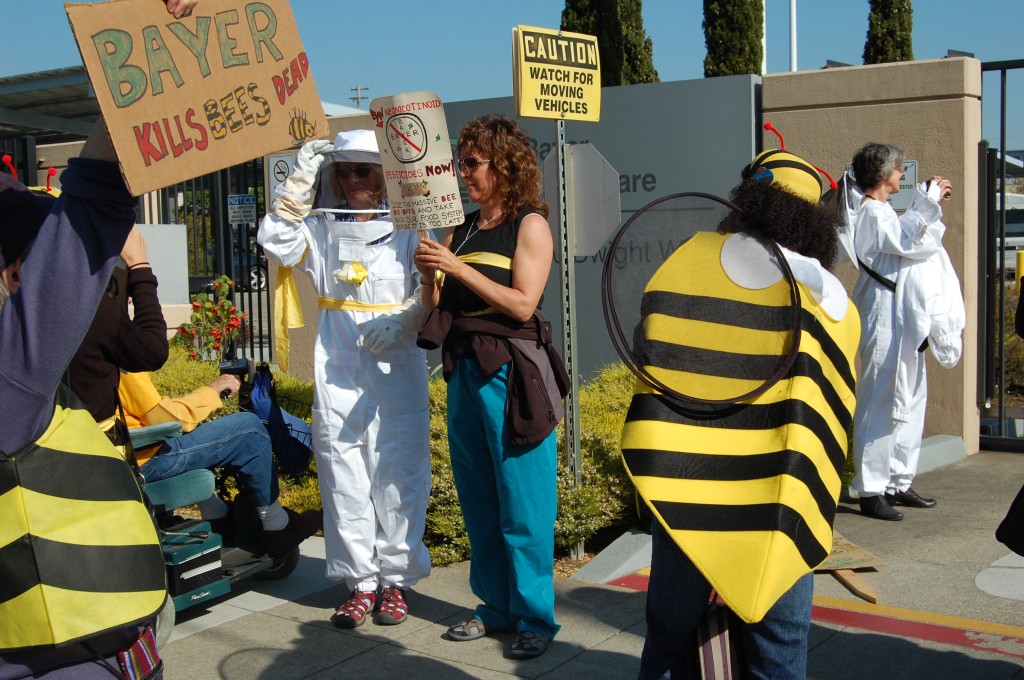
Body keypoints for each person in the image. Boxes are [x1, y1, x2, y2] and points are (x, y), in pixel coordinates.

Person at [618, 147, 860, 678]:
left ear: (746, 199)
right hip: (780, 504)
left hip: (686, 491)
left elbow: (650, 351)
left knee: (667, 640)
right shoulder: (831, 295)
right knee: (781, 649)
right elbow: (835, 404)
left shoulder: (687, 261)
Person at [0, 118, 167, 678]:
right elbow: (95, 200)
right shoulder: (12, 375)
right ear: (20, 271)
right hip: (69, 650)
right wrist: (140, 268)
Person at [258, 130, 431, 628]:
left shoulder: (409, 228)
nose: (353, 180)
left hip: (395, 361)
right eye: (345, 171)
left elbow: (433, 288)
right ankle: (360, 583)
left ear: (383, 179)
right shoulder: (321, 227)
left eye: (364, 171)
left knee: (399, 469)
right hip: (336, 363)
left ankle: (396, 582)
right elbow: (276, 241)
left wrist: (403, 320)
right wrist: (299, 180)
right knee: (342, 470)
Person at [414, 114, 569, 660]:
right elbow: (434, 311)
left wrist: (456, 266)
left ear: (504, 165)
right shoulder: (465, 227)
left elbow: (523, 302)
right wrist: (431, 274)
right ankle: (495, 607)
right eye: (462, 162)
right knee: (478, 499)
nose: (463, 173)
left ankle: (535, 618)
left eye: (473, 163)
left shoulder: (531, 224)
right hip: (464, 373)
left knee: (524, 504)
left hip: (512, 375)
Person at [850, 143, 960, 521]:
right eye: (898, 170)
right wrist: (926, 201)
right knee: (880, 398)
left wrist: (927, 204)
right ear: (884, 176)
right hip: (883, 315)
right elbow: (905, 241)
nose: (902, 176)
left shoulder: (885, 213)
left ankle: (898, 479)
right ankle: (870, 489)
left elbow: (919, 241)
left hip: (904, 317)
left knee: (912, 397)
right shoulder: (870, 214)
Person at [117, 369, 323, 553]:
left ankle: (218, 516)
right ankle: (276, 524)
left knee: (202, 432)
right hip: (142, 457)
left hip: (120, 455)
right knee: (248, 428)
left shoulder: (89, 348)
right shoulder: (119, 361)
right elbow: (166, 418)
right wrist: (213, 390)